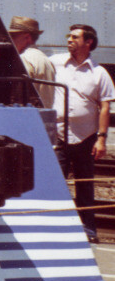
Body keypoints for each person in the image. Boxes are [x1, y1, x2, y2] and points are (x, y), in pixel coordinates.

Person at [53, 23, 114, 243]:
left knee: (85, 185)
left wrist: (101, 139)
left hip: (86, 137)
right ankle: (57, 229)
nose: (69, 40)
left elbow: (105, 108)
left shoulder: (99, 73)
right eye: (69, 36)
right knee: (56, 184)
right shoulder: (56, 63)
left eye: (75, 37)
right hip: (58, 135)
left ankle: (88, 230)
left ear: (88, 42)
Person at [9, 16, 55, 108]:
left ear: (27, 37)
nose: (10, 40)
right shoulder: (45, 59)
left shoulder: (23, 59)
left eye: (13, 36)